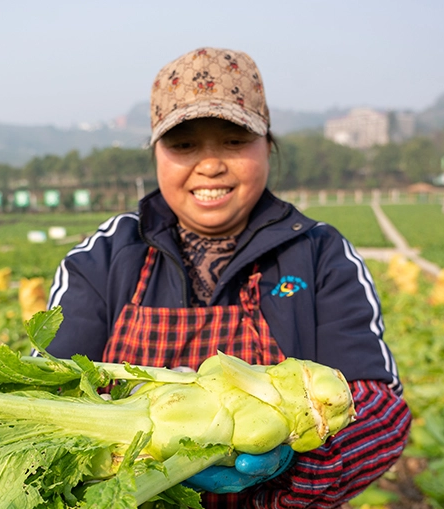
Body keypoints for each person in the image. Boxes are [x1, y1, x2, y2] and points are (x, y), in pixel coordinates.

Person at [47, 47, 410, 508]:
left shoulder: (319, 254)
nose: (211, 164)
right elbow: (49, 394)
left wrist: (294, 460)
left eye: (234, 141)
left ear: (268, 145)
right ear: (156, 155)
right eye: (184, 145)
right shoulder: (104, 257)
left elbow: (381, 410)